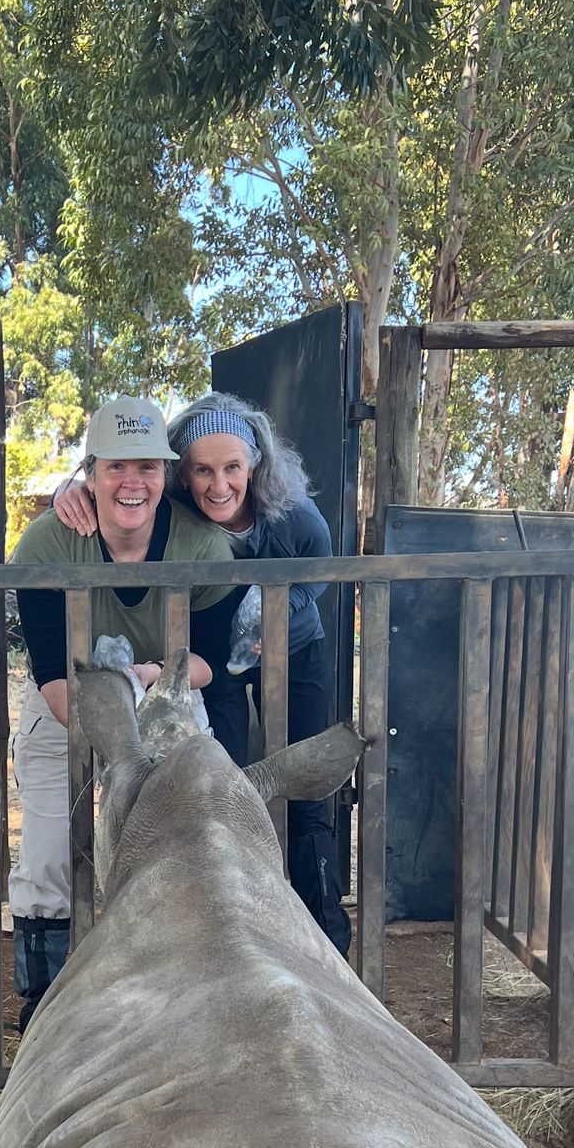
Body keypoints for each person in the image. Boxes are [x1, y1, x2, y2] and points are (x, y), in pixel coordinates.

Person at [53, 390, 352, 957]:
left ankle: (324, 934)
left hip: (296, 648)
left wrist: (271, 611)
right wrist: (67, 491)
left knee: (311, 795)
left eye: (232, 468)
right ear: (182, 474)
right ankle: (233, 918)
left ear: (254, 466)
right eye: (202, 470)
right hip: (222, 664)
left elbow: (320, 571)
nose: (218, 485)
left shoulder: (296, 516)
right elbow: (119, 493)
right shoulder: (176, 512)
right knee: (228, 781)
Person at [9, 395, 234, 1032]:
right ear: (90, 472)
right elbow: (53, 674)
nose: (131, 482)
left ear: (166, 475)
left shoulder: (203, 545)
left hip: (165, 693)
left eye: (148, 467)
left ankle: (191, 991)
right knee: (53, 845)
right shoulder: (49, 540)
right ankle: (44, 1002)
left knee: (196, 831)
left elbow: (208, 661)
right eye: (115, 467)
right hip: (68, 700)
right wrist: (108, 734)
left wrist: (151, 681)